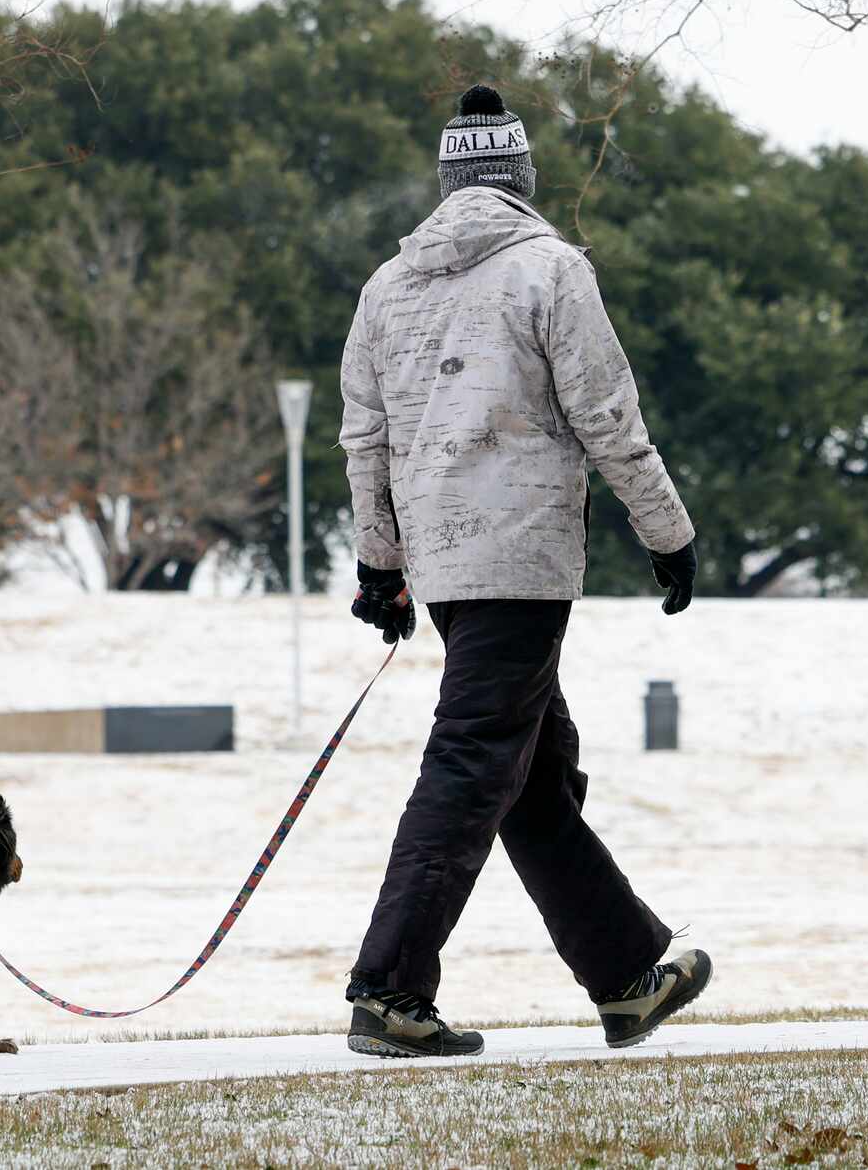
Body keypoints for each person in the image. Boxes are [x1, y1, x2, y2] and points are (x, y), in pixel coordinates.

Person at [336, 84, 711, 1059]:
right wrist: (665, 531)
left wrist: (381, 567)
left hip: (447, 567)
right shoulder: (549, 269)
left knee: (530, 780)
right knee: (470, 766)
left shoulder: (387, 287)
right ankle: (387, 991)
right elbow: (605, 412)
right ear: (517, 180)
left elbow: (363, 440)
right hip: (521, 559)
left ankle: (627, 974)